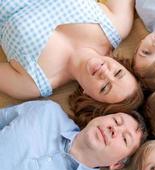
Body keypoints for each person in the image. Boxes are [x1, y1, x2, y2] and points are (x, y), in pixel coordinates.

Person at [0, 0, 143, 118]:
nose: (105, 73)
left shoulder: (33, 83)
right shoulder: (118, 25)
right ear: (121, 65)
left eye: (104, 88)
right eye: (118, 73)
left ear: (89, 96)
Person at [0, 100, 148, 170]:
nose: (114, 129)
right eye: (116, 120)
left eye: (125, 139)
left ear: (116, 164)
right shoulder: (48, 111)